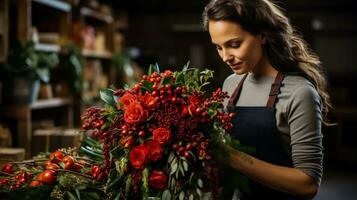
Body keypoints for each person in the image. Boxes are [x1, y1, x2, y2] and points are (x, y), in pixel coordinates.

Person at [202, 0, 331, 199]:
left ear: (262, 35)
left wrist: (231, 157)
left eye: (234, 44)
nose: (226, 56)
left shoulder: (299, 93)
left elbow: (308, 184)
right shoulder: (230, 85)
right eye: (219, 47)